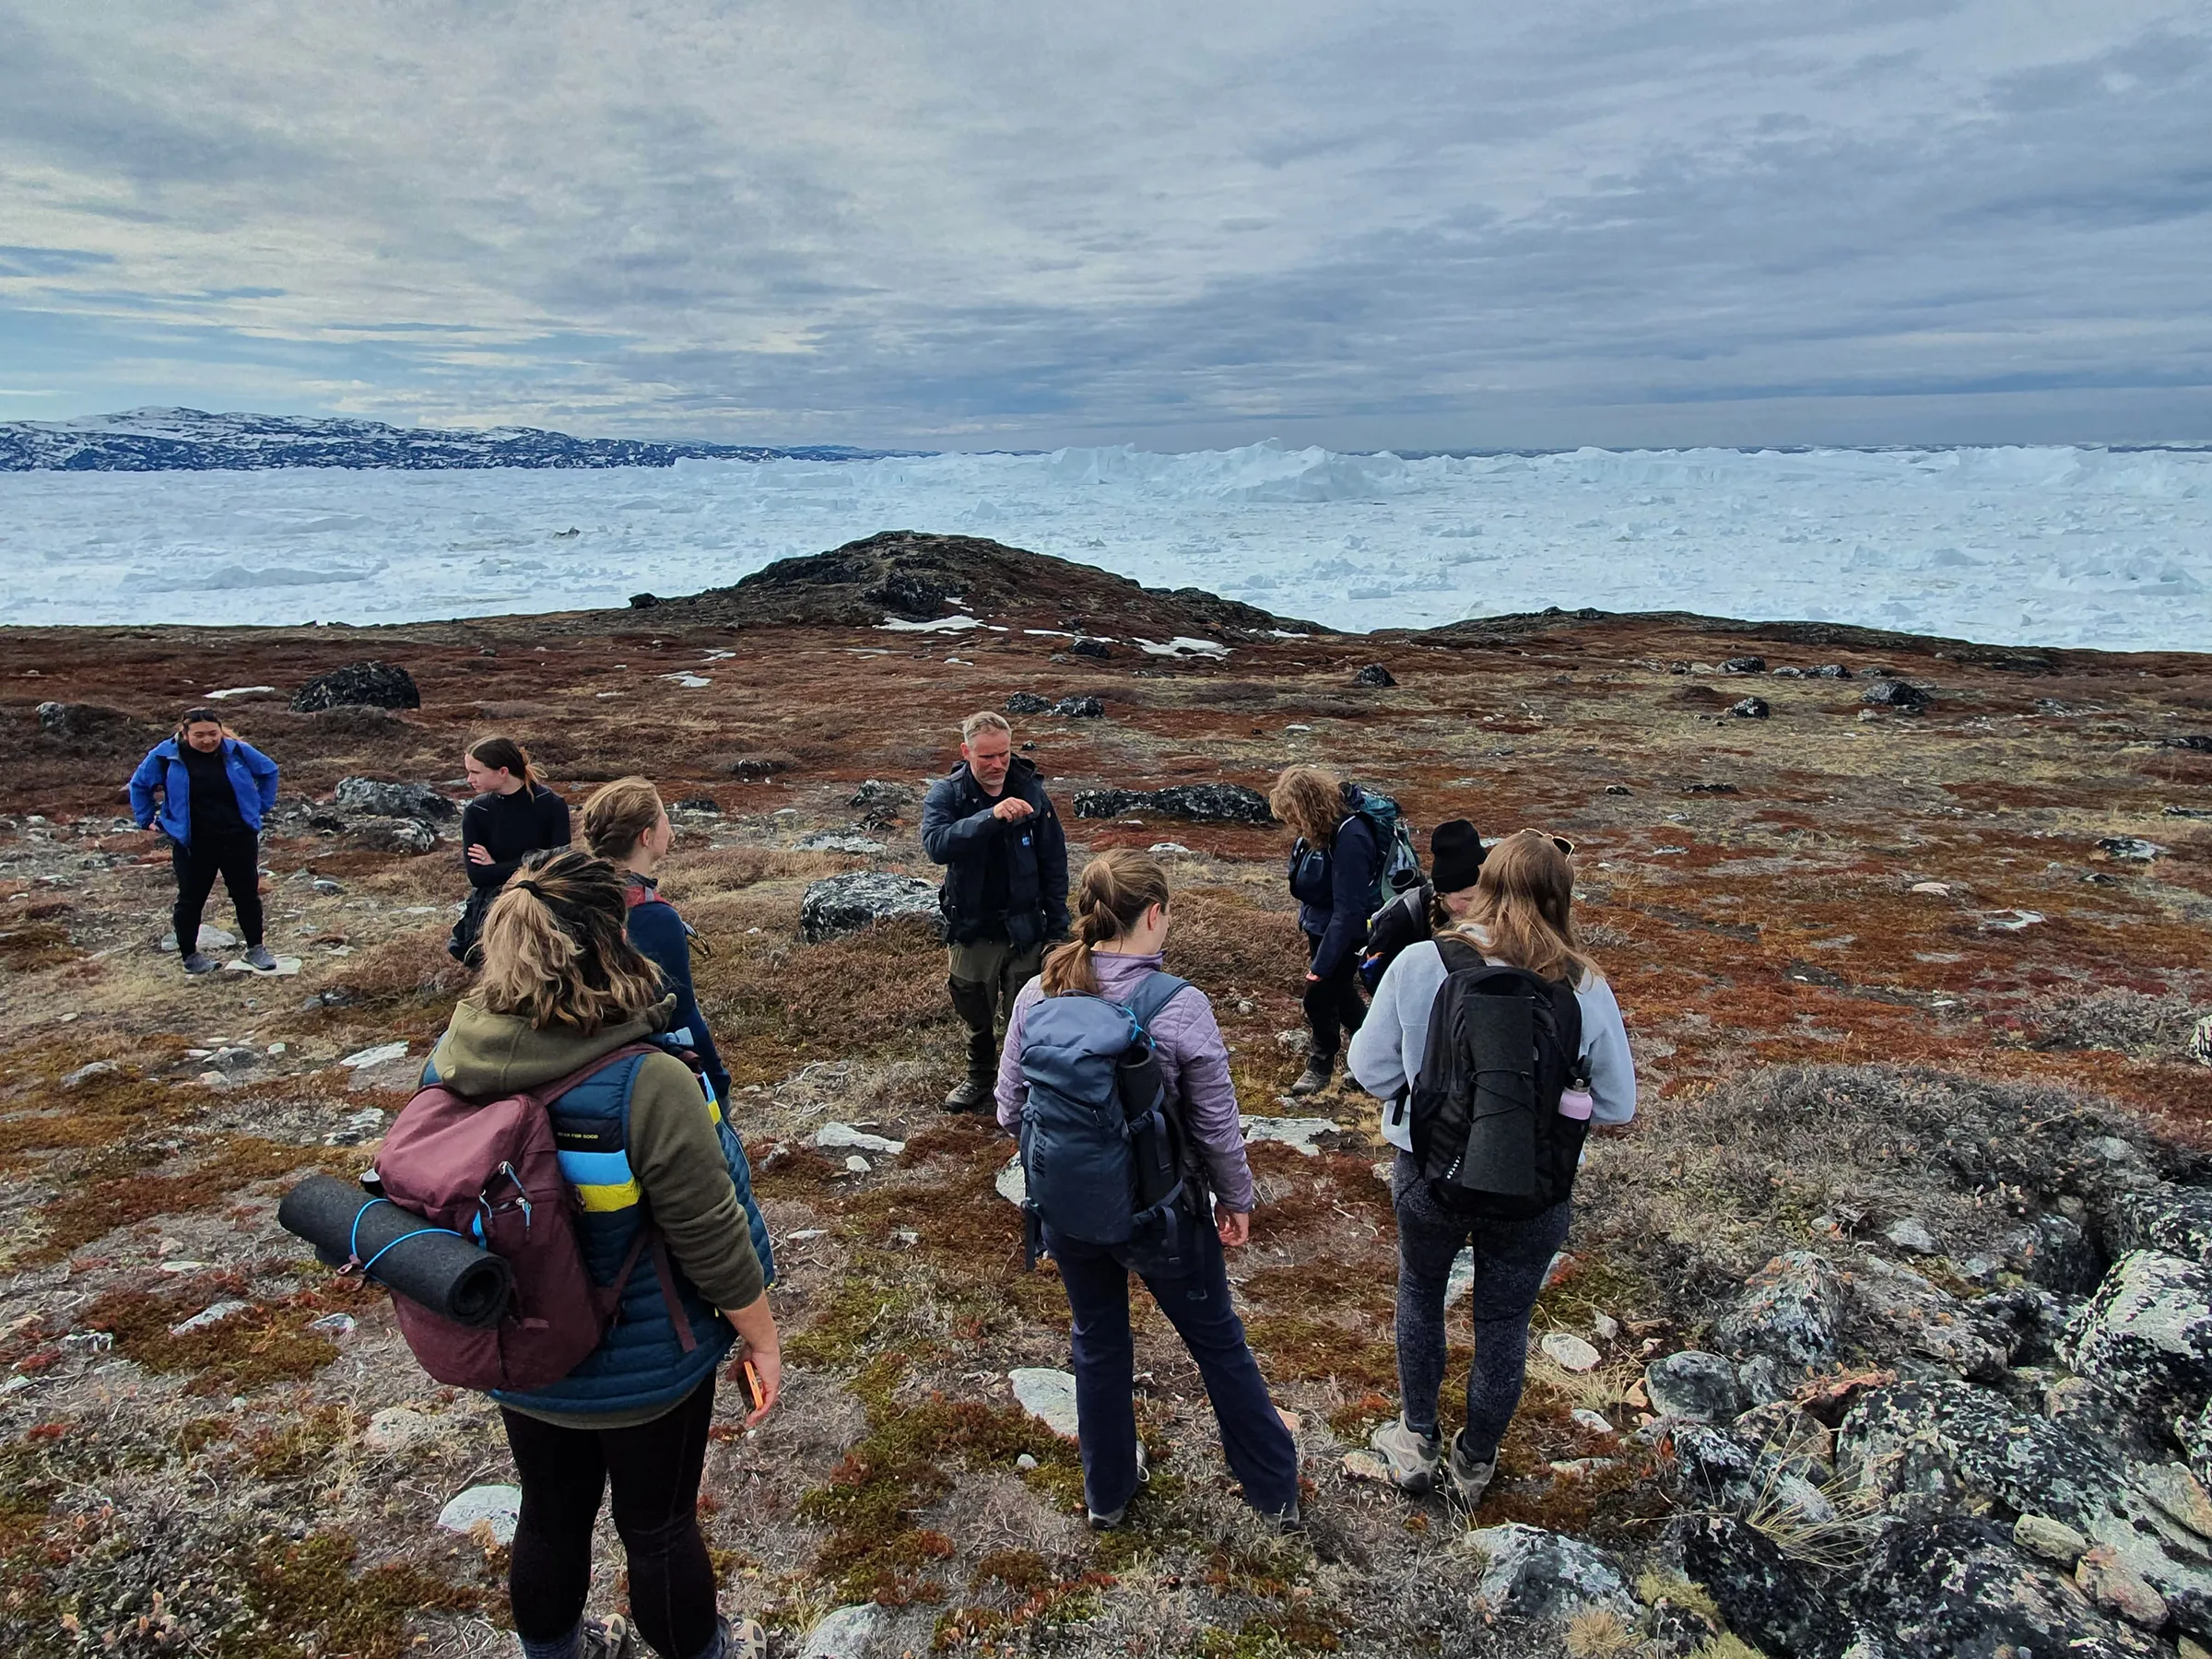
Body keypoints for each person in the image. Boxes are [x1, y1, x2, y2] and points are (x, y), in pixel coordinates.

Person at [424, 849, 778, 1659]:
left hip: (522, 1348)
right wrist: (760, 1336)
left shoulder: (455, 1055)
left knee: (550, 1514)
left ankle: (555, 1652)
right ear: (612, 939)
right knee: (658, 1529)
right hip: (645, 1367)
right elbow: (710, 1235)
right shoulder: (649, 1080)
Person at [996, 850, 1301, 1531]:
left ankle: (1106, 1495)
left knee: (1097, 1342)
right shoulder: (1180, 1005)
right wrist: (1236, 1198)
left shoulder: (1039, 992)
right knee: (1216, 1341)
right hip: (1166, 1217)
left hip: (1068, 1210)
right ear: (1154, 913)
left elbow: (1009, 1109)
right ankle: (1273, 1490)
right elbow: (1215, 1125)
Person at [1347, 830, 1635, 1508]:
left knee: (1421, 1292)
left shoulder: (1422, 961)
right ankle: (1475, 1462)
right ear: (1562, 896)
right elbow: (1617, 1104)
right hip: (1535, 1185)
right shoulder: (1584, 983)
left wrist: (1426, 1098)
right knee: (1504, 1321)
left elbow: (1369, 1068)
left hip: (1429, 1172)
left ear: (1486, 883)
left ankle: (1416, 1439)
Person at [924, 711, 1069, 1112]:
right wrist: (990, 817)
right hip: (973, 927)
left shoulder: (1032, 792)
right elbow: (936, 845)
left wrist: (1059, 930)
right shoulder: (947, 794)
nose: (998, 764)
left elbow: (1054, 862)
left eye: (1004, 754)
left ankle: (1026, 1087)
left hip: (1026, 926)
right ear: (965, 751)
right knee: (975, 1009)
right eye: (987, 756)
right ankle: (980, 1078)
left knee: (1030, 1014)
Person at [580, 776, 731, 1106]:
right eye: (664, 817)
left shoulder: (576, 894)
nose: (669, 827)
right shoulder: (653, 916)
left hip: (581, 1066)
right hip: (645, 1076)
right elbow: (681, 1014)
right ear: (646, 837)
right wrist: (717, 1081)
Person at [128, 708, 282, 974]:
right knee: (191, 899)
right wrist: (146, 819)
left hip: (238, 836)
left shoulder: (236, 751)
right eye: (199, 735)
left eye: (213, 733)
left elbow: (269, 771)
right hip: (193, 842)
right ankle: (190, 956)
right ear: (185, 734)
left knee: (246, 895)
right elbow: (139, 785)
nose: (208, 740)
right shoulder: (166, 755)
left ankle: (255, 949)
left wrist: (261, 806)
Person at [1269, 765, 1382, 1096]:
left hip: (1347, 932)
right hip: (1322, 925)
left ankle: (1320, 1065)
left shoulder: (1351, 837)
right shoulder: (1322, 830)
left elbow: (1349, 911)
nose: (1292, 824)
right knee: (1342, 994)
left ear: (1309, 806)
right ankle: (1371, 1055)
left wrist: (1320, 967)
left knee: (1318, 996)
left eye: (1294, 815)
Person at [451, 735, 571, 964]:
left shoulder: (551, 804)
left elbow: (559, 865)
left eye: (475, 772)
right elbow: (477, 876)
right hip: (493, 907)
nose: (469, 779)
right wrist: (532, 861)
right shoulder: (477, 811)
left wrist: (496, 867)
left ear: (502, 772)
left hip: (547, 904)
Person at [1359, 819, 1485, 991]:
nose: (1477, 907)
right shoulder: (1403, 918)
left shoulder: (1489, 908)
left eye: (1483, 897)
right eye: (1467, 899)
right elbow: (1372, 974)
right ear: (1442, 895)